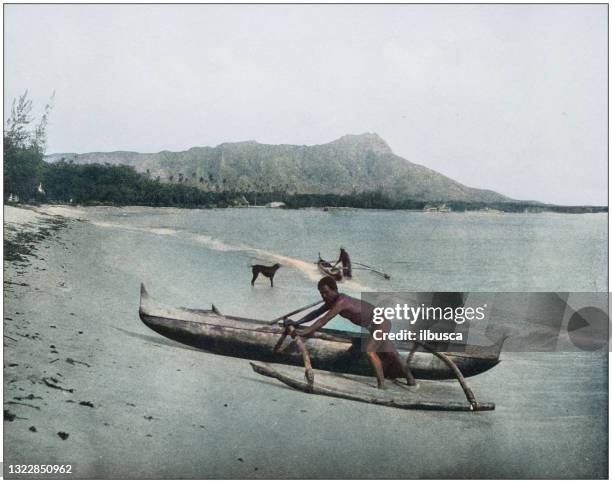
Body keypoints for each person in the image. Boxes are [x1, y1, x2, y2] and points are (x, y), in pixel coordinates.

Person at [284, 276, 416, 389]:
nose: (323, 296)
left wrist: (303, 332)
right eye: (321, 293)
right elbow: (315, 313)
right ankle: (411, 381)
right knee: (392, 353)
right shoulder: (334, 301)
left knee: (370, 351)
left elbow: (322, 321)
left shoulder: (341, 302)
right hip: (376, 324)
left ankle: (381, 385)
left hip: (380, 322)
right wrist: (297, 322)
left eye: (326, 292)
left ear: (335, 290)